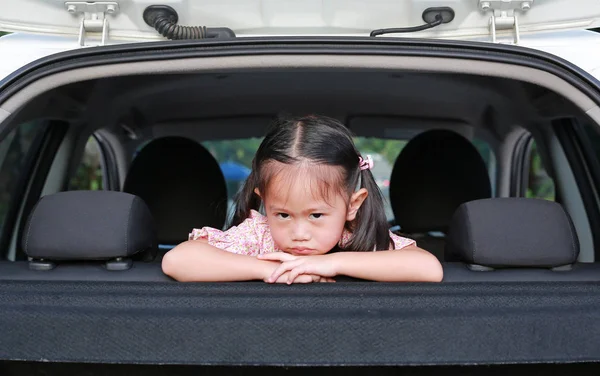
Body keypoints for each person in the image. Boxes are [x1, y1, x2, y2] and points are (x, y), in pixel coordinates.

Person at [162, 115, 443, 283]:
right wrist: (270, 270)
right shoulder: (258, 237)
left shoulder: (359, 240)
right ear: (264, 203)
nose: (299, 234)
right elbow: (178, 260)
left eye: (316, 215)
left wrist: (331, 264)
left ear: (352, 205)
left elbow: (427, 268)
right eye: (282, 215)